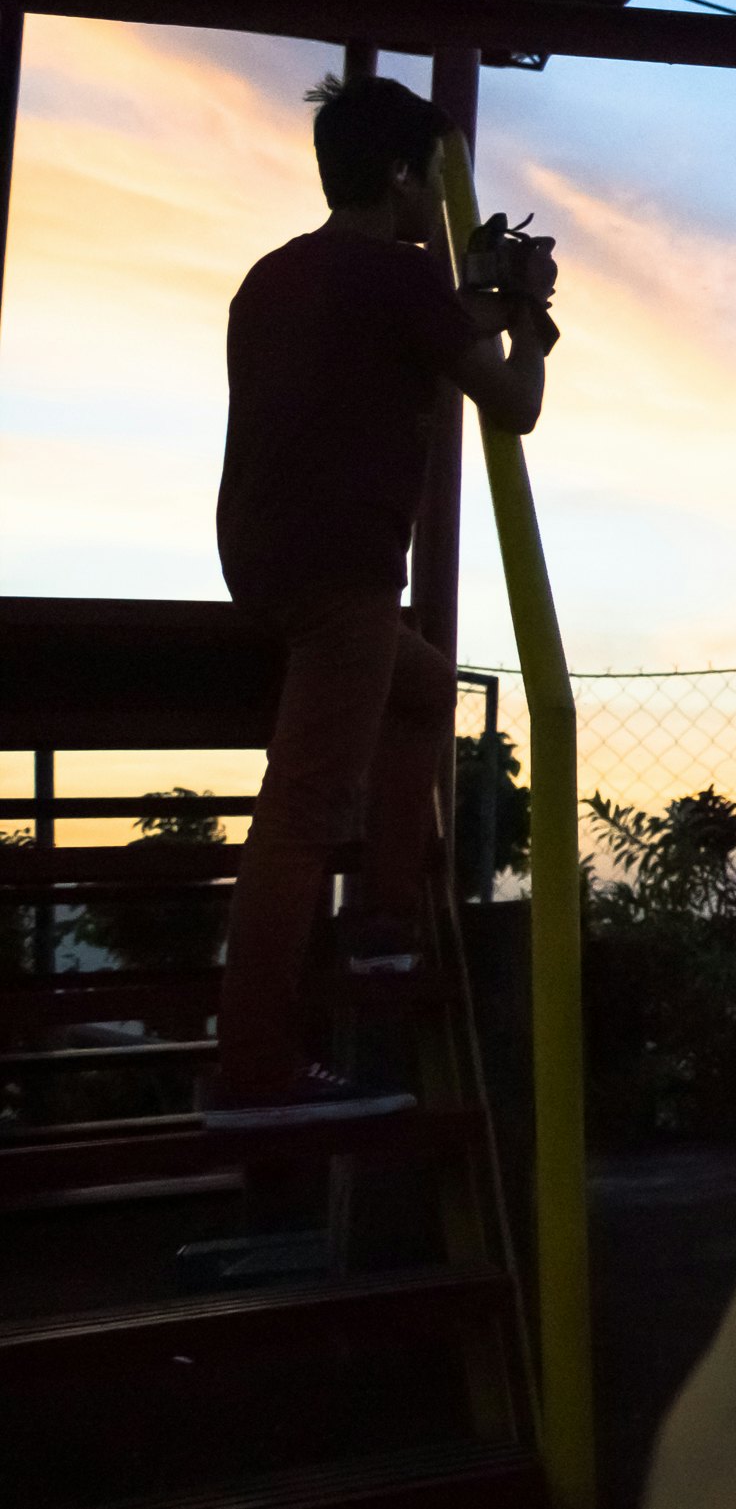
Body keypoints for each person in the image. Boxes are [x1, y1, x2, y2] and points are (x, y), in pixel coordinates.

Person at [205, 76, 554, 1127]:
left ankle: (385, 918)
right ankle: (255, 1067)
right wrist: (530, 322)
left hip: (259, 561)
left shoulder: (275, 276)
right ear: (402, 176)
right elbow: (514, 404)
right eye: (429, 181)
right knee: (300, 813)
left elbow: (407, 335)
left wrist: (478, 305)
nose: (433, 209)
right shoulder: (398, 281)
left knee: (426, 689)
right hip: (341, 576)